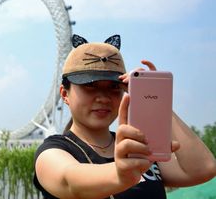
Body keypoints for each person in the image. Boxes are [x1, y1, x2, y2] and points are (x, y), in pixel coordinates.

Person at [33, 34, 216, 199]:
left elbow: (203, 169)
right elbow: (70, 181)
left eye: (114, 87)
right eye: (90, 86)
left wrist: (158, 102)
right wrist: (120, 174)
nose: (103, 98)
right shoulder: (53, 152)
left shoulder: (140, 147)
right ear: (65, 94)